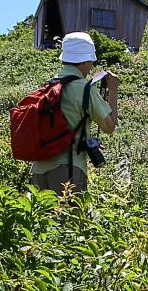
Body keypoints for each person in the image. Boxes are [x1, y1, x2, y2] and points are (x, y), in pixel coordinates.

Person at [30, 32, 118, 194]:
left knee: (42, 218)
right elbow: (109, 126)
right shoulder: (84, 89)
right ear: (85, 61)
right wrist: (113, 91)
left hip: (38, 169)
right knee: (69, 218)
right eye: (91, 61)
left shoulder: (48, 87)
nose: (91, 65)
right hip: (68, 169)